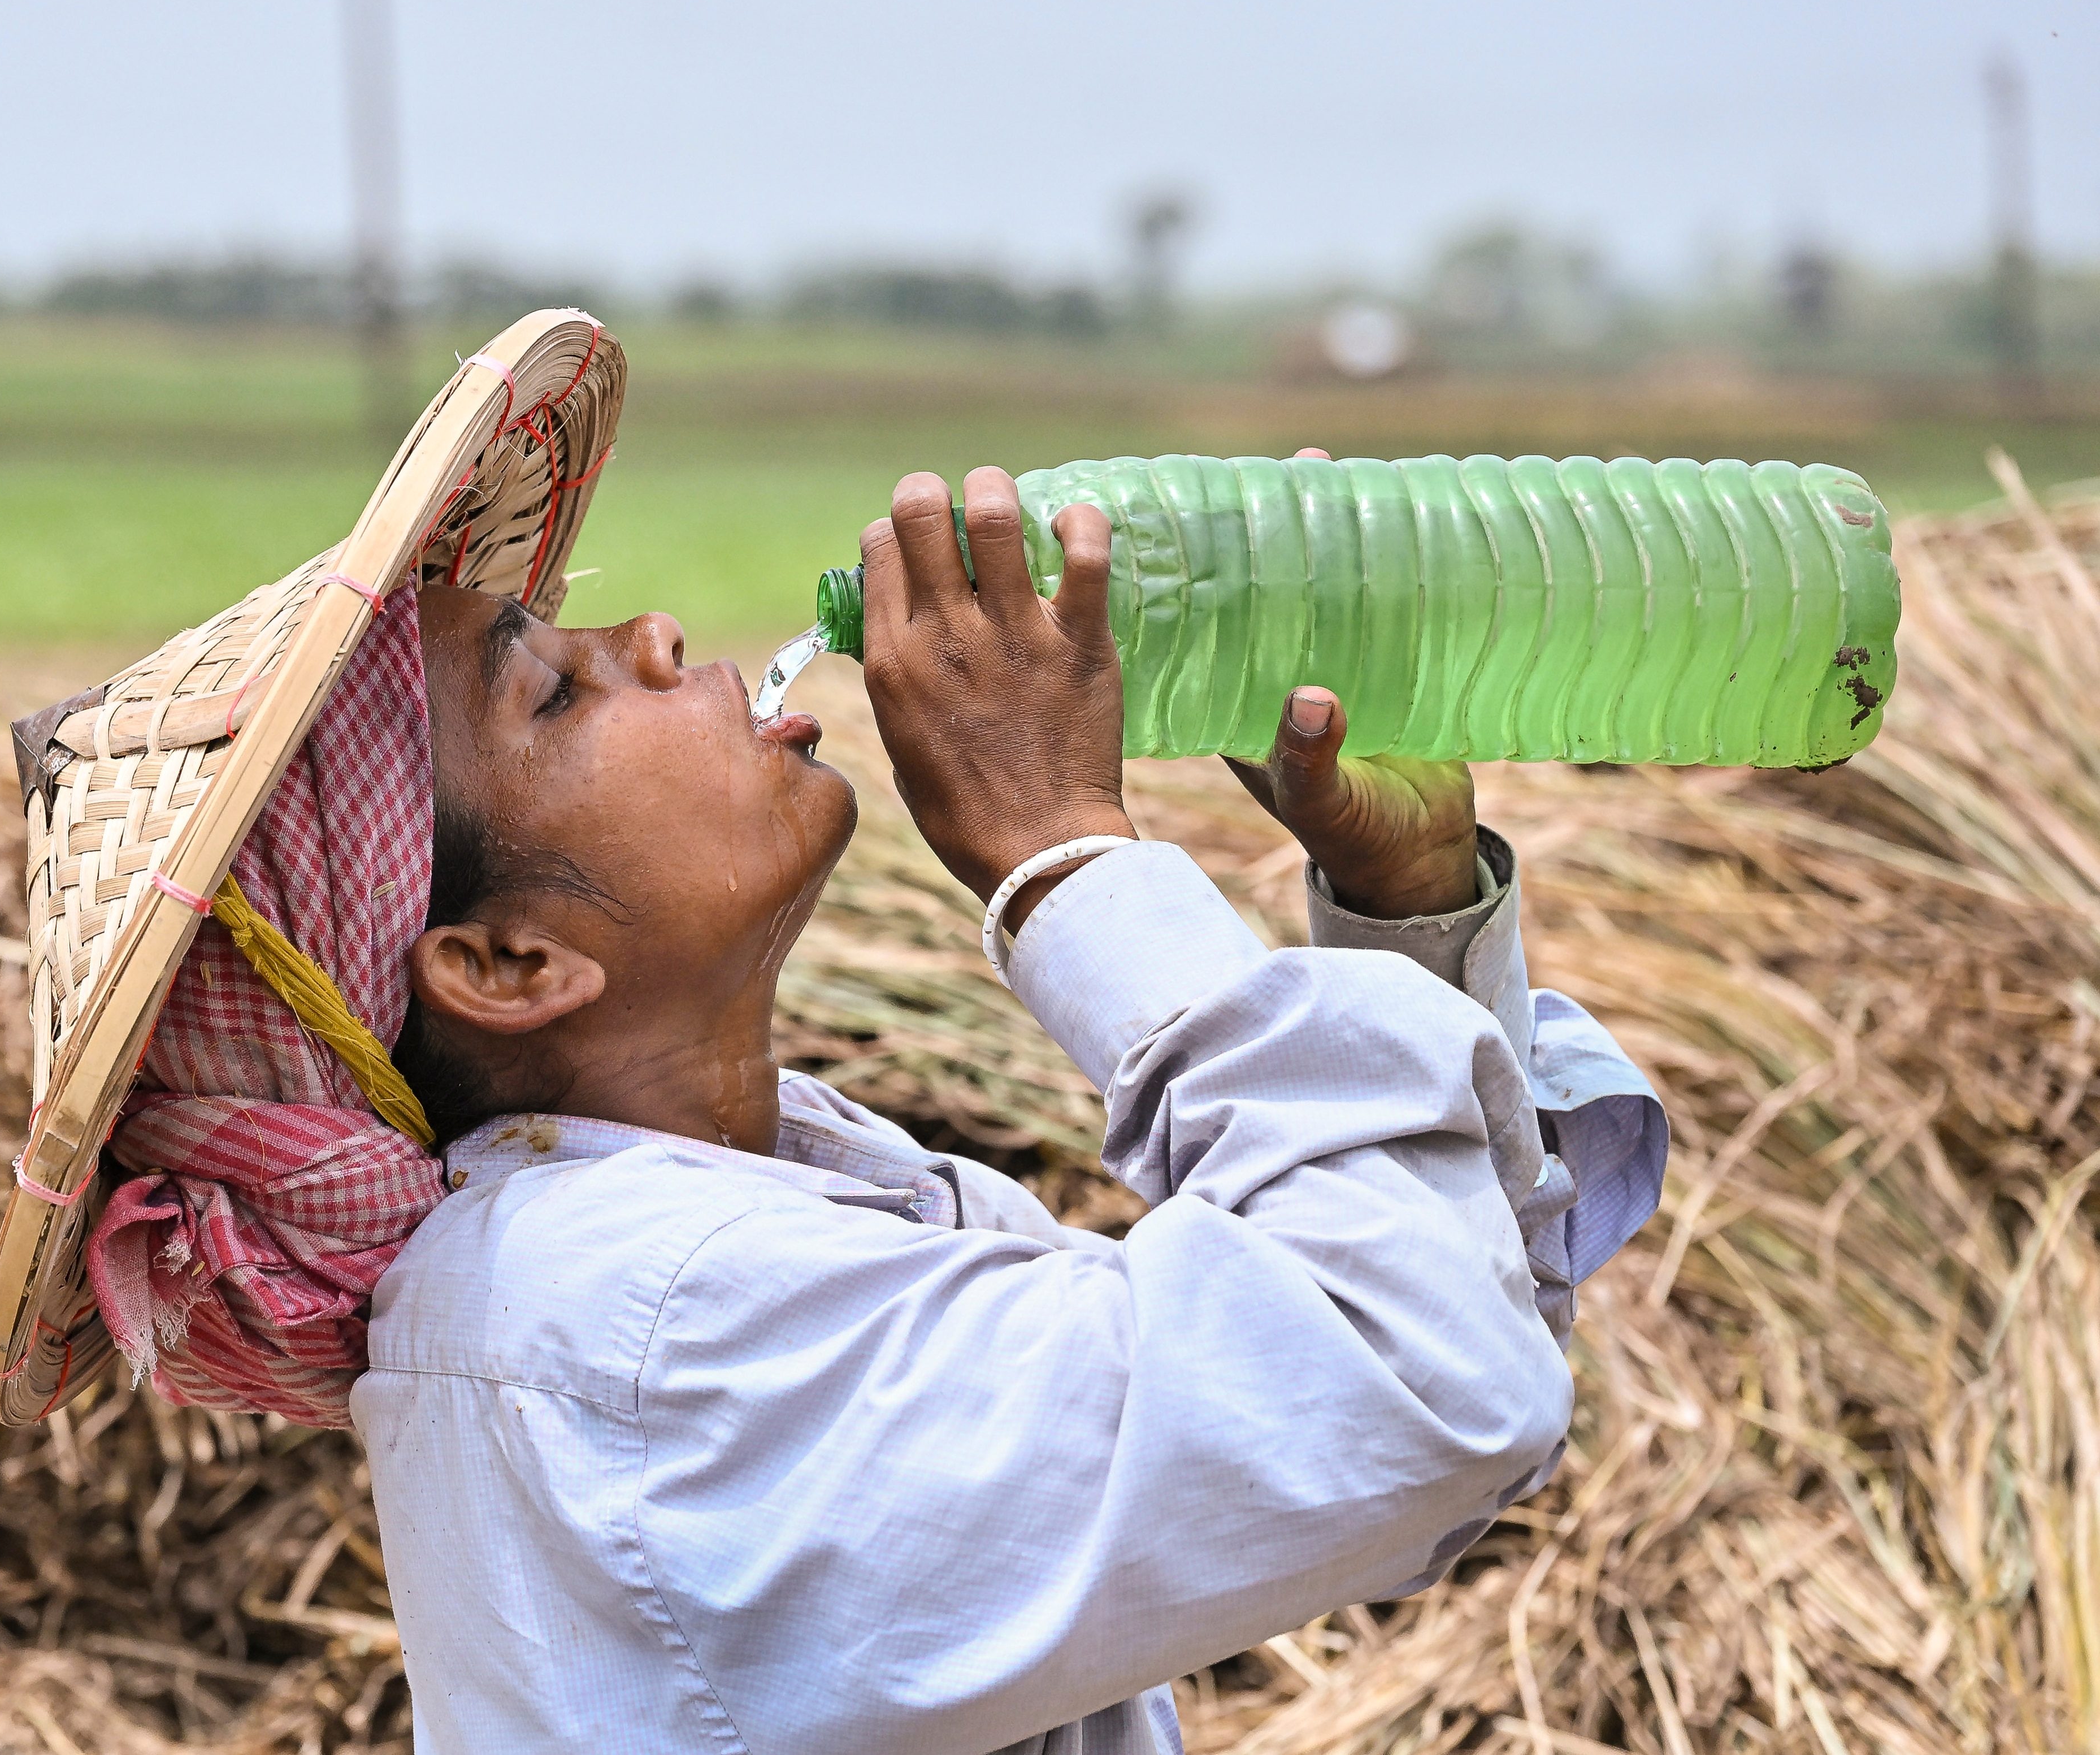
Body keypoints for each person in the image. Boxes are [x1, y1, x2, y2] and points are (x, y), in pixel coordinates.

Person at [90, 466, 1667, 1754]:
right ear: (509, 965)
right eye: (556, 693)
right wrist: (1061, 854)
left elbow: (1389, 1390)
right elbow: (1417, 1387)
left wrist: (1406, 904)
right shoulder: (651, 1327)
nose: (651, 635)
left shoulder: (710, 1233)